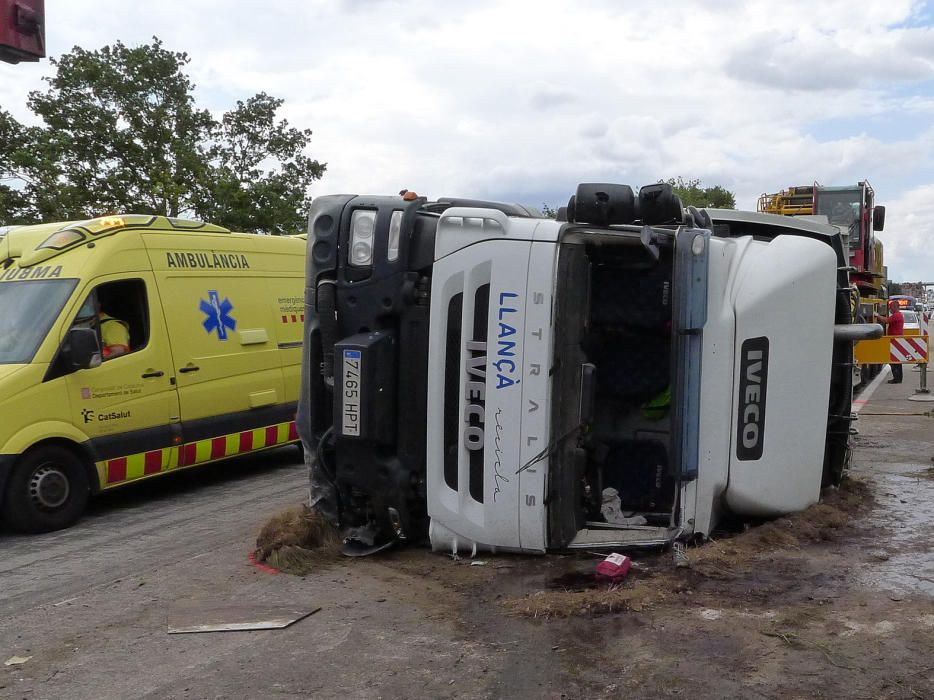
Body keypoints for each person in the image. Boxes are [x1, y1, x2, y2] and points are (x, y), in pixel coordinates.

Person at [875, 300, 904, 384]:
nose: (890, 309)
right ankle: (898, 378)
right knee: (896, 361)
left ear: (895, 307)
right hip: (895, 340)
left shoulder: (896, 315)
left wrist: (877, 315)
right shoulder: (898, 315)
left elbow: (886, 321)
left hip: (895, 340)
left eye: (891, 307)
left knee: (894, 361)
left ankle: (897, 378)